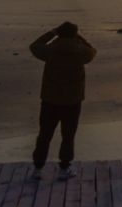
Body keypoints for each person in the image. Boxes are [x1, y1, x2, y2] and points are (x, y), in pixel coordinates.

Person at [29, 21, 97, 181]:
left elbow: (34, 46)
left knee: (44, 135)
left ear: (59, 33)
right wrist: (79, 37)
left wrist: (51, 33)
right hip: (72, 101)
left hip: (50, 100)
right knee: (68, 136)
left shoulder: (50, 50)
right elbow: (92, 51)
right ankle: (64, 168)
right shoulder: (80, 52)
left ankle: (38, 169)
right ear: (74, 34)